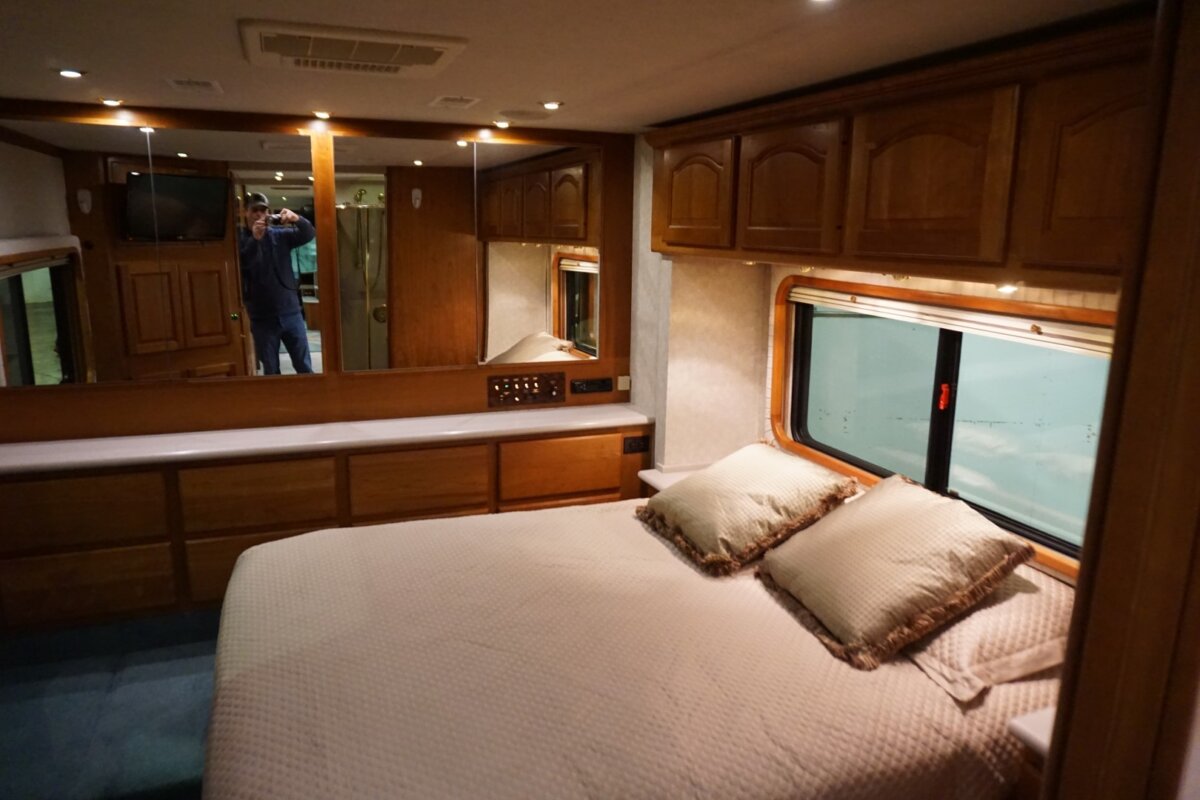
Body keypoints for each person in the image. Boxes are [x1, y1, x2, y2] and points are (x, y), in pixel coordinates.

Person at [237, 192, 316, 374]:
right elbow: (244, 262)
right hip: (262, 317)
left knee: (304, 366)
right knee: (271, 369)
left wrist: (296, 218)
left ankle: (311, 393)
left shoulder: (280, 235)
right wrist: (255, 240)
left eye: (263, 210)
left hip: (291, 312)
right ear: (246, 212)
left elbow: (308, 234)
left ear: (268, 212)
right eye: (254, 210)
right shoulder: (240, 239)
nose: (259, 214)